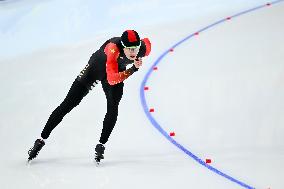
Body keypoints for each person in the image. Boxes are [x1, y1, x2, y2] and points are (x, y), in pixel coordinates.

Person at [27, 30, 151, 163]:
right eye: (130, 49)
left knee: (113, 106)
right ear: (122, 46)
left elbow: (148, 43)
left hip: (116, 70)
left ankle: (101, 145)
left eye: (136, 49)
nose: (133, 53)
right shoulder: (113, 48)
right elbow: (112, 80)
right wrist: (133, 69)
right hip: (94, 70)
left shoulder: (142, 48)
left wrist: (137, 56)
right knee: (68, 104)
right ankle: (41, 140)